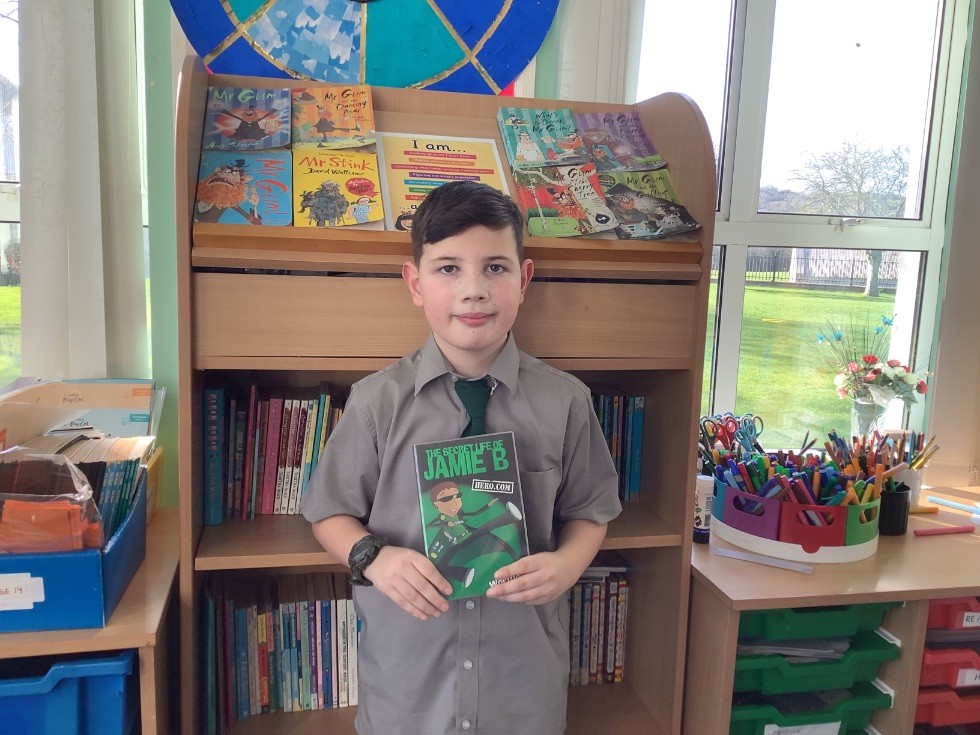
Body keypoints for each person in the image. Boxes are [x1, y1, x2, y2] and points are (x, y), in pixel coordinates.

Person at [300, 180, 621, 735]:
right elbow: (328, 512)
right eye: (448, 268)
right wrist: (374, 558)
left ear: (524, 280)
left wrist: (567, 565)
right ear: (414, 283)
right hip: (407, 694)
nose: (474, 291)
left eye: (495, 267)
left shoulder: (565, 401)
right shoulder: (376, 403)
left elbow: (590, 511)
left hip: (522, 691)